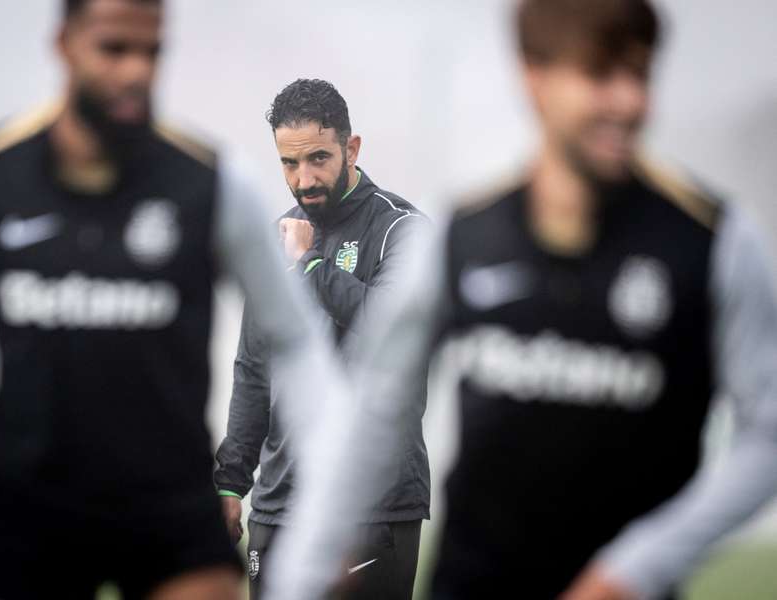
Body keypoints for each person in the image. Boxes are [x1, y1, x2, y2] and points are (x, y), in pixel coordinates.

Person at [265, 1, 777, 599]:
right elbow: (375, 413)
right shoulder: (463, 235)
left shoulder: (714, 241)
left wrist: (636, 569)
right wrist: (302, 574)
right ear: (534, 77)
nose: (629, 102)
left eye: (639, 75)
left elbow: (765, 435)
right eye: (600, 75)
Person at [0, 2, 346, 599]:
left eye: (152, 51)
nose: (136, 71)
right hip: (33, 513)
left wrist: (332, 504)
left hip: (171, 512)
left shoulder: (211, 181)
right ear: (65, 44)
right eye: (114, 49)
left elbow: (295, 341)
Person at [213, 79, 430, 600]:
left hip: (374, 505)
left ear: (351, 148)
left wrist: (310, 266)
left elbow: (389, 334)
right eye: (290, 164)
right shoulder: (276, 237)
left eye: (317, 158)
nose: (304, 179)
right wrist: (230, 481)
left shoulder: (402, 231)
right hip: (279, 503)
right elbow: (253, 367)